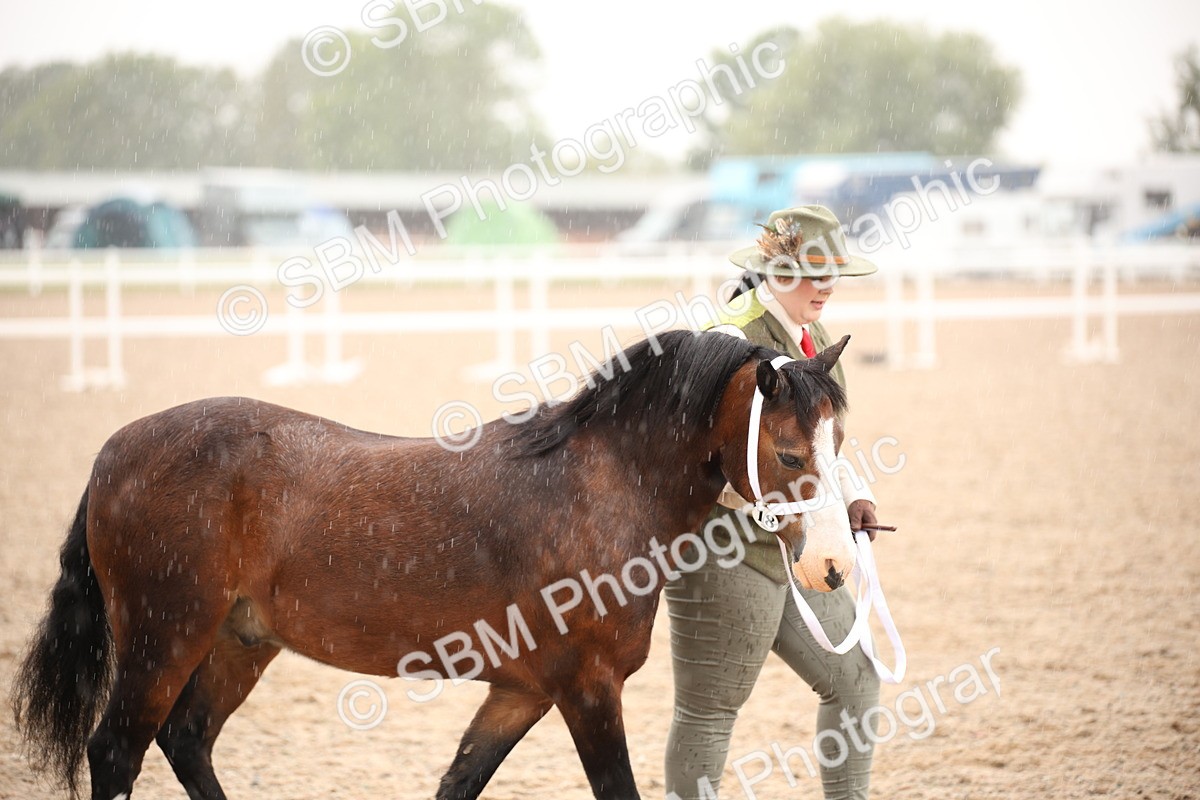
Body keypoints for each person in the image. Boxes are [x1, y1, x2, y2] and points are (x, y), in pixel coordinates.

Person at [665, 205, 883, 800]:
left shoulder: (805, 339)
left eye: (833, 272)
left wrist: (851, 493)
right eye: (815, 273)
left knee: (856, 681)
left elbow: (814, 443)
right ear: (777, 273)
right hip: (724, 547)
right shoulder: (729, 341)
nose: (828, 285)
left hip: (796, 545)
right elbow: (691, 457)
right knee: (710, 710)